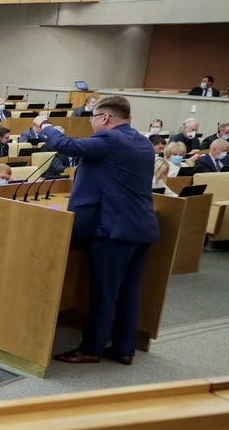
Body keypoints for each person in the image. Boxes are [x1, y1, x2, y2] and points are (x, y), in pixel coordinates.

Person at [40, 96, 160, 365]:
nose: (92, 123)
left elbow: (65, 144)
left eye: (93, 117)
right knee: (128, 291)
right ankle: (124, 348)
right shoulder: (142, 141)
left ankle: (91, 349)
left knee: (104, 292)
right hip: (142, 227)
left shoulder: (110, 139)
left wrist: (44, 126)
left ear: (104, 117)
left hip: (114, 230)